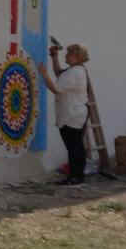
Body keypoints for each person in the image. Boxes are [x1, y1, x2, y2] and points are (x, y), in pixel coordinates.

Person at [38, 42, 91, 185]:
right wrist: (54, 57)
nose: (66, 56)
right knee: (75, 145)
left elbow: (56, 88)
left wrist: (43, 74)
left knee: (74, 146)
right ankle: (76, 176)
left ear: (76, 56)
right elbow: (59, 74)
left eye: (68, 54)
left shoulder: (75, 72)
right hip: (73, 114)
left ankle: (75, 177)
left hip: (73, 115)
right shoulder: (75, 70)